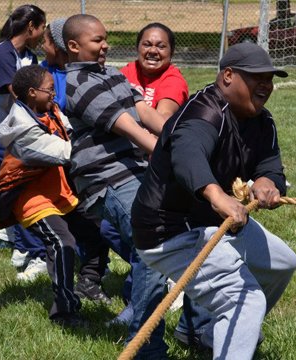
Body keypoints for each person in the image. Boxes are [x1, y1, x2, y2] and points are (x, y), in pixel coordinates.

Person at [131, 43, 296, 359]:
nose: (265, 86)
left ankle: (209, 335)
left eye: (269, 79)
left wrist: (266, 183)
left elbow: (270, 166)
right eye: (256, 78)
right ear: (227, 76)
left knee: (283, 263)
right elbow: (187, 155)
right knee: (244, 298)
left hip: (211, 224)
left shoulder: (262, 121)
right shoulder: (203, 112)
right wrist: (215, 193)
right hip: (168, 232)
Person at [63, 14, 168, 359]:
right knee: (152, 249)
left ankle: (190, 330)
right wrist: (171, 157)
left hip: (134, 169)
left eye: (105, 38)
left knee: (175, 241)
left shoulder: (113, 74)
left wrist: (184, 141)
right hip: (107, 178)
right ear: (74, 47)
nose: (105, 44)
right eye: (97, 41)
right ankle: (144, 348)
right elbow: (131, 129)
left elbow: (148, 116)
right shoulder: (78, 83)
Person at [121, 21, 212, 346]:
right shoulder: (125, 72)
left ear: (171, 52)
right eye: (147, 43)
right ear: (137, 47)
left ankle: (162, 305)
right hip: (123, 166)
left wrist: (132, 110)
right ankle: (151, 285)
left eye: (161, 46)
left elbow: (162, 124)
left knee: (152, 240)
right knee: (110, 229)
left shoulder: (172, 80)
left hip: (157, 173)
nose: (153, 50)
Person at [0, 65, 83, 326]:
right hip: (32, 200)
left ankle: (91, 280)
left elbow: (70, 132)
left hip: (58, 192)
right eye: (50, 90)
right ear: (32, 93)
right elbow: (66, 152)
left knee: (97, 231)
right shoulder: (23, 130)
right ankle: (64, 311)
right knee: (62, 244)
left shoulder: (48, 110)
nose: (55, 94)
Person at [0, 5, 48, 280]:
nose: (43, 33)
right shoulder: (4, 52)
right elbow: (15, 92)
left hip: (12, 134)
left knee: (17, 186)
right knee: (21, 187)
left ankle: (21, 242)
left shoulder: (30, 56)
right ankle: (37, 253)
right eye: (42, 28)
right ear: (30, 27)